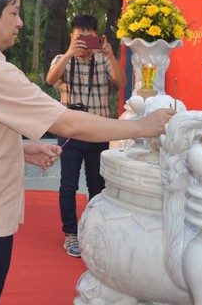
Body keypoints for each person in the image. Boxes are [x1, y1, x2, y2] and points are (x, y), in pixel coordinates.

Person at [0, 0, 173, 305]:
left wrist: (21, 149)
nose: (20, 22)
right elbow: (68, 122)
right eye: (13, 13)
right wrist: (142, 126)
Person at [45, 14, 126, 258]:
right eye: (79, 37)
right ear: (72, 37)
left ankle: (94, 230)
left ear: (97, 37)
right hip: (70, 131)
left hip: (98, 131)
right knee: (68, 185)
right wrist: (69, 53)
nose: (84, 42)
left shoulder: (103, 61)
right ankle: (71, 234)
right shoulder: (62, 59)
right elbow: (50, 80)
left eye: (89, 37)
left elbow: (121, 82)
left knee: (97, 186)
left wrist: (110, 55)